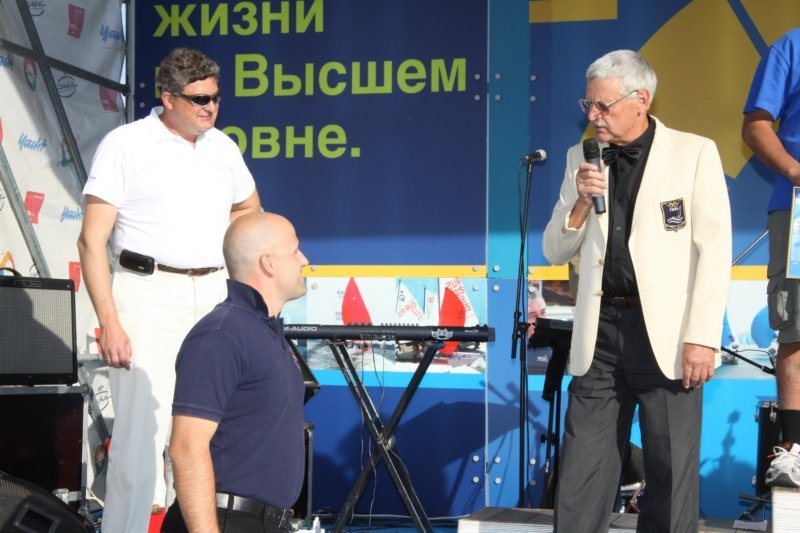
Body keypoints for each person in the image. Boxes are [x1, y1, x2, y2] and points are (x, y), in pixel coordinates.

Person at [542, 49, 731, 532]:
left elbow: (715, 252)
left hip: (667, 335)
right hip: (600, 334)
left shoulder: (694, 153)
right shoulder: (579, 158)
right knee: (582, 469)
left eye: (602, 105)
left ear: (641, 99)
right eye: (587, 104)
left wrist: (702, 337)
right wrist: (580, 202)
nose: (593, 115)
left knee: (670, 470)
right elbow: (554, 249)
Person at [77, 47, 261, 532]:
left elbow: (250, 210)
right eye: (200, 99)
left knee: (203, 437)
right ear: (168, 97)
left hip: (215, 293)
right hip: (147, 293)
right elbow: (91, 240)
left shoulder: (223, 147)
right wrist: (110, 322)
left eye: (216, 97)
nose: (211, 107)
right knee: (140, 443)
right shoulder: (126, 144)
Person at [161, 212, 309, 533]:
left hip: (263, 522)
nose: (305, 260)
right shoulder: (221, 334)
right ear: (268, 263)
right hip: (223, 522)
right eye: (295, 251)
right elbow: (186, 447)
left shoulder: (265, 333)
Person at [742, 27, 800, 489]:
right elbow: (756, 125)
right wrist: (796, 171)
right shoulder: (792, 45)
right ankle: (795, 449)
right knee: (797, 329)